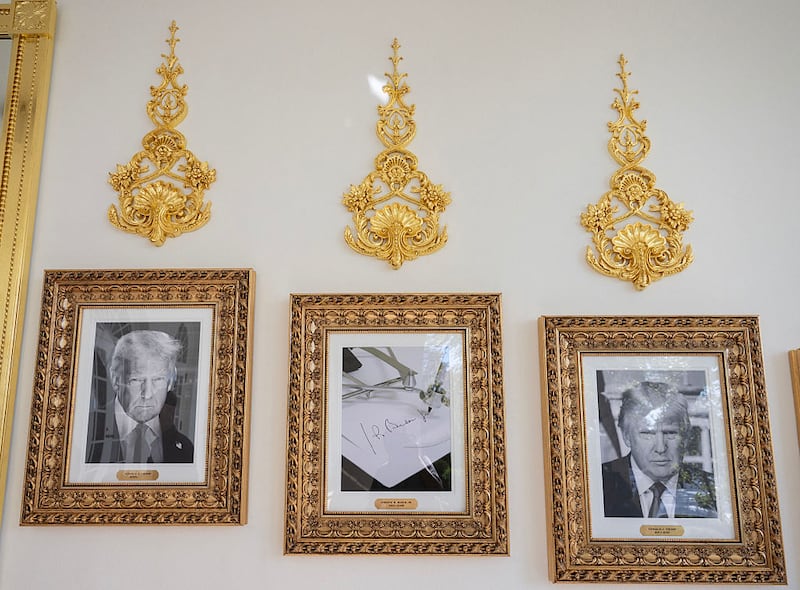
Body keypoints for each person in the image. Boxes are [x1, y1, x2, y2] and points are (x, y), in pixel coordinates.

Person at [601, 381, 717, 518]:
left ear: (685, 436)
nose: (660, 448)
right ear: (627, 436)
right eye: (647, 434)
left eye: (670, 433)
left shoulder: (714, 490)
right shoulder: (597, 485)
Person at [86, 330, 194, 463]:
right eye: (136, 380)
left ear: (170, 382)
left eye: (158, 379)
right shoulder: (85, 432)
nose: (147, 394)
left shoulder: (186, 450)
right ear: (115, 380)